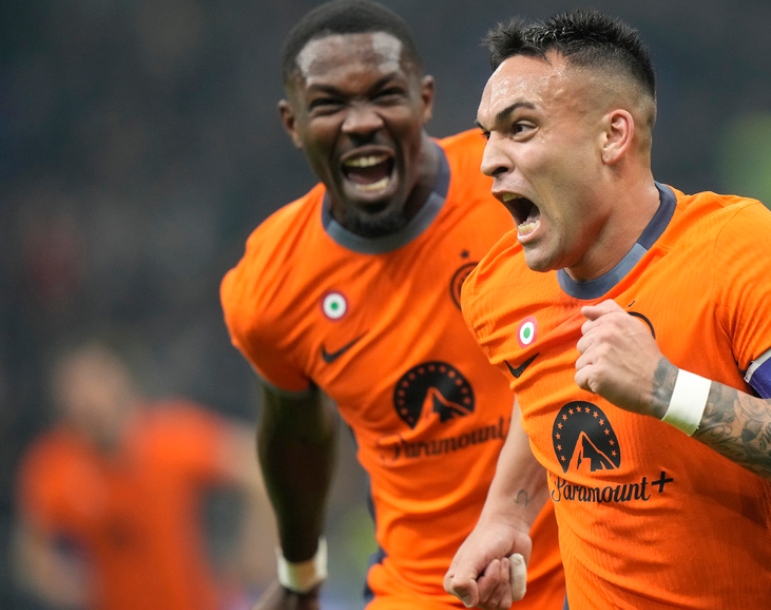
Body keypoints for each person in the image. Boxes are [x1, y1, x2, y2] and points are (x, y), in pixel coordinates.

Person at [443, 10, 771, 610]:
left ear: (613, 136)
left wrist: (668, 390)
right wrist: (505, 513)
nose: (489, 161)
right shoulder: (498, 287)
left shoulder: (738, 250)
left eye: (520, 128)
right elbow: (541, 388)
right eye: (486, 135)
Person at [218, 1, 564, 608]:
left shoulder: (521, 188)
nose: (361, 123)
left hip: (579, 566)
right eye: (329, 104)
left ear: (424, 99)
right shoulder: (269, 285)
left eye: (384, 95)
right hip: (423, 588)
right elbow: (295, 435)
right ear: (293, 123)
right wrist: (300, 574)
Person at [14, 339, 270, 610]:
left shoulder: (169, 437)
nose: (91, 402)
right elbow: (31, 548)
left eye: (97, 385)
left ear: (121, 382)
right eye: (78, 395)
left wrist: (256, 549)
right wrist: (63, 584)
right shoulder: (57, 464)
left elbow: (258, 465)